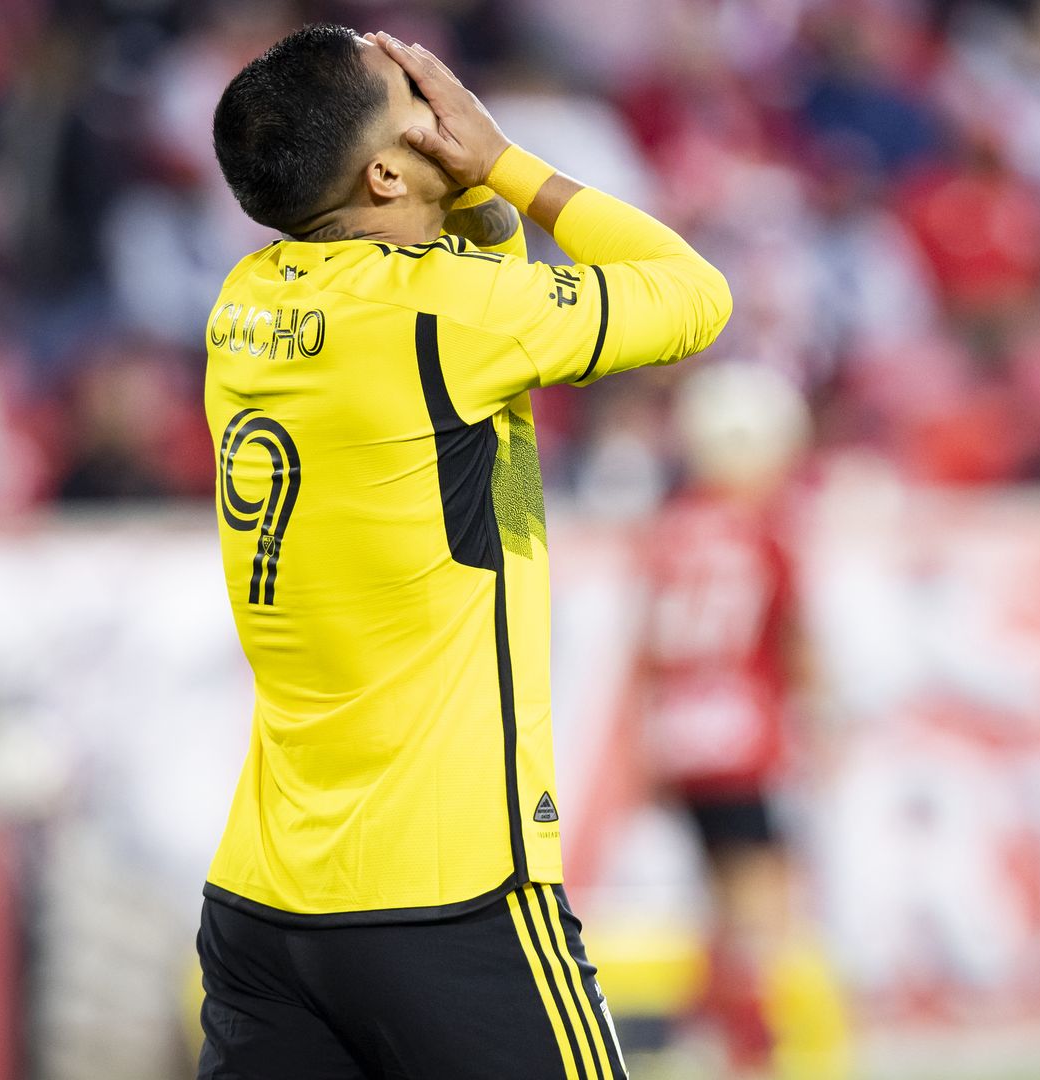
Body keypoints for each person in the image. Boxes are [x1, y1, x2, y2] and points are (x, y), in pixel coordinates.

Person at [196, 24, 731, 1080]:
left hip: (266, 904)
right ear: (388, 169)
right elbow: (693, 293)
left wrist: (469, 207)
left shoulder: (249, 299)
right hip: (450, 895)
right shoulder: (446, 318)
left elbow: (486, 412)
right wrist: (505, 166)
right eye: (418, 104)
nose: (447, 117)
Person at [638, 363, 847, 1079]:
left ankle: (700, 1024)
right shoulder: (765, 528)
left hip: (682, 733)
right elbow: (794, 636)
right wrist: (823, 720)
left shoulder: (671, 526)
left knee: (724, 896)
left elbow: (650, 644)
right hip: (741, 735)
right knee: (763, 901)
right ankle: (746, 1042)